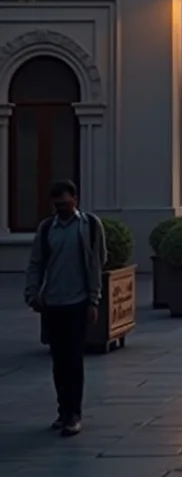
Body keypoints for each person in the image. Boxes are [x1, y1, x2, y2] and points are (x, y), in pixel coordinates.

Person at [24, 180, 106, 437]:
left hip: (78, 303)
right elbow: (36, 263)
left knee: (74, 360)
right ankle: (63, 410)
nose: (61, 209)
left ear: (75, 200)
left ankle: (74, 414)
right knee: (58, 362)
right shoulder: (47, 228)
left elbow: (97, 263)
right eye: (57, 205)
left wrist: (94, 300)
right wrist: (32, 293)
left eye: (65, 203)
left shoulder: (90, 225)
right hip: (53, 303)